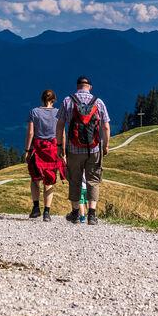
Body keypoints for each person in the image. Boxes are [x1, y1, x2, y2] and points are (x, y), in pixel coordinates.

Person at [57, 76, 110, 226]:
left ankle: (75, 213)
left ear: (77, 86)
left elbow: (60, 125)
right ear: (90, 87)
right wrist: (105, 145)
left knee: (75, 179)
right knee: (93, 179)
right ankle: (92, 215)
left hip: (74, 149)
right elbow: (105, 127)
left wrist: (60, 146)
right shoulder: (98, 102)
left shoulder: (68, 101)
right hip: (94, 148)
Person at [24, 89, 64, 222]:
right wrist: (63, 150)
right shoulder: (59, 113)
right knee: (50, 181)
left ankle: (36, 208)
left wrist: (28, 150)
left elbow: (30, 133)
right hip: (53, 149)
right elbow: (62, 133)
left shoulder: (34, 112)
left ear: (42, 99)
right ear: (54, 100)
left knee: (35, 179)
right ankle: (47, 212)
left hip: (38, 148)